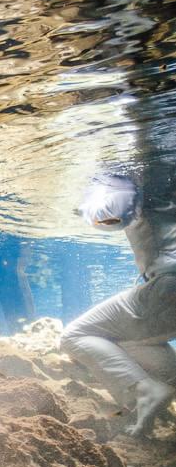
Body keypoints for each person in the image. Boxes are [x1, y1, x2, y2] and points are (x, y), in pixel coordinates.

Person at [62, 166, 176, 439]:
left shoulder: (137, 174)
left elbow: (112, 215)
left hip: (168, 285)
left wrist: (86, 208)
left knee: (76, 335)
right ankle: (166, 383)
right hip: (165, 288)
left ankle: (145, 390)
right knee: (125, 338)